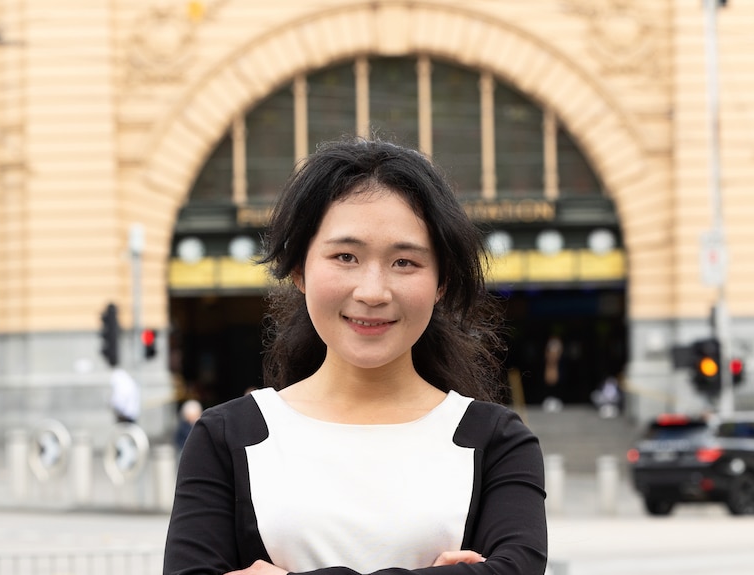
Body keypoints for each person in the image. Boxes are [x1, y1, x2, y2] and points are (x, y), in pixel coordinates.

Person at [163, 137, 548, 575]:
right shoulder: (225, 438)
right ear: (298, 269)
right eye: (345, 256)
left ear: (441, 283)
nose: (372, 291)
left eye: (404, 262)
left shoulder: (498, 442)